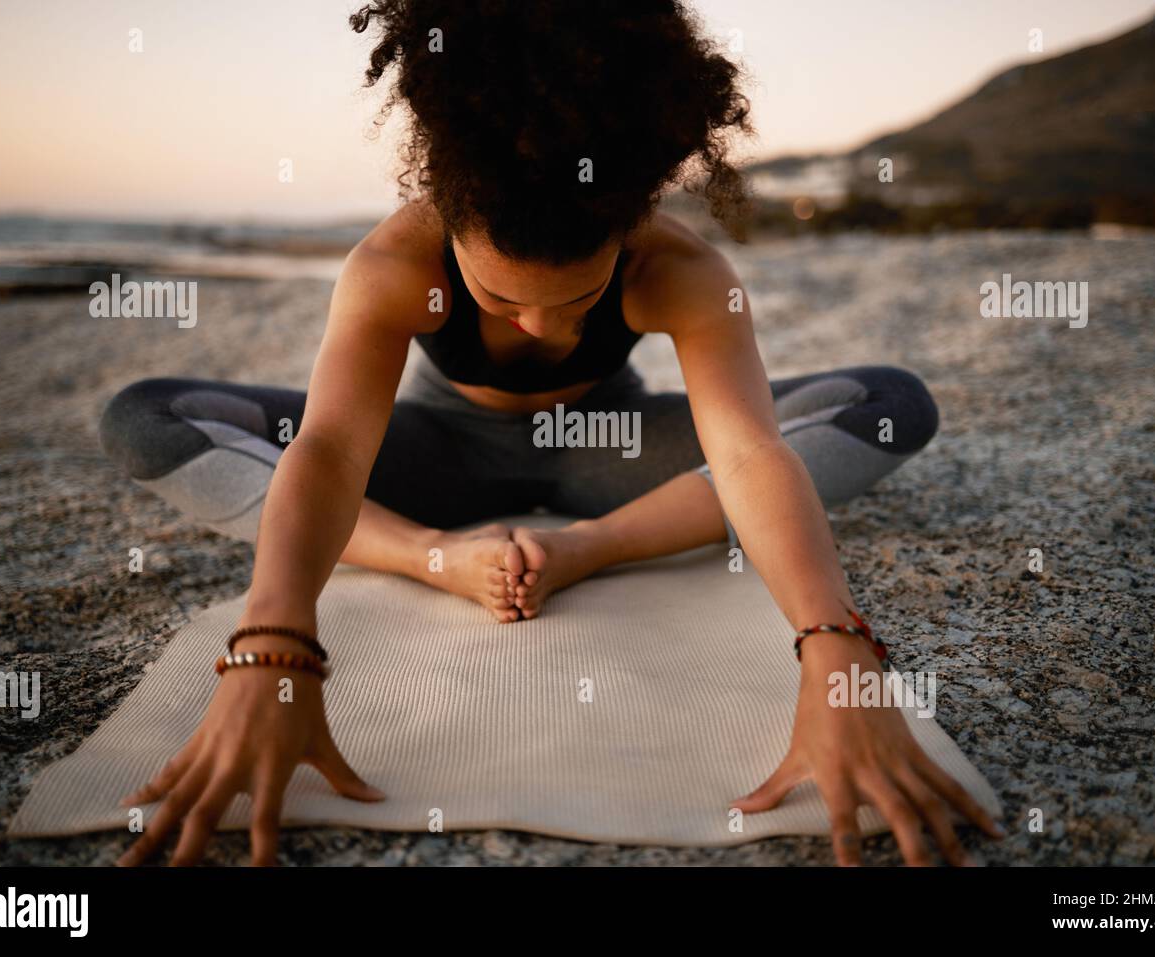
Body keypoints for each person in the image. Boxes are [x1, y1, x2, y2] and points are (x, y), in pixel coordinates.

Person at [99, 0, 1001, 866]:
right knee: (145, 419)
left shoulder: (682, 269)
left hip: (613, 453)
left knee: (889, 402)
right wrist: (275, 645)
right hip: (435, 455)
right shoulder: (391, 266)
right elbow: (333, 450)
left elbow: (748, 452)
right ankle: (425, 554)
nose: (539, 326)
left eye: (573, 300)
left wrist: (835, 648)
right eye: (500, 297)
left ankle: (593, 550)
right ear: (452, 224)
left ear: (629, 223)